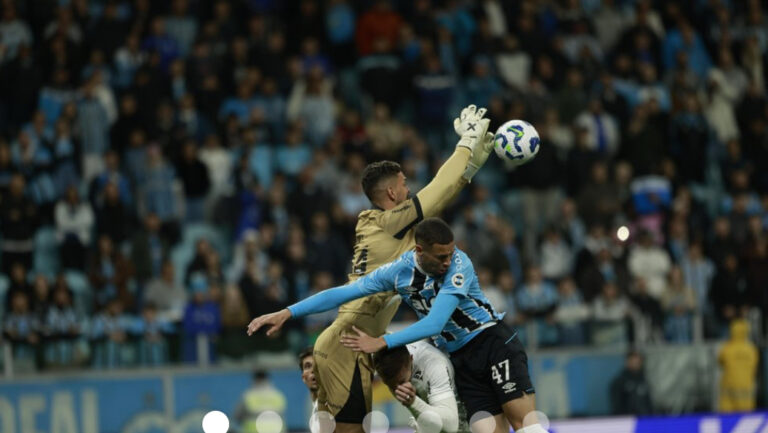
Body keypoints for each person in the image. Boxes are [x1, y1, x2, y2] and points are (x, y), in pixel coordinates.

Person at [248, 105, 494, 432]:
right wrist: (467, 144)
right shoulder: (391, 222)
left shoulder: (382, 226)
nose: (409, 191)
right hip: (346, 345)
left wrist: (472, 166)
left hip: (353, 343)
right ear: (391, 193)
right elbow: (437, 191)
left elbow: (442, 193)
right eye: (405, 185)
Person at [249, 218, 545, 433]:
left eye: (450, 253)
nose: (447, 261)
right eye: (440, 256)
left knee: (525, 423)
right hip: (462, 360)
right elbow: (341, 293)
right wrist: (289, 312)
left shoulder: (460, 264)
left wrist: (384, 342)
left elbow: (435, 322)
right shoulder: (397, 272)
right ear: (419, 251)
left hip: (491, 342)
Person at [373, 340, 468, 433]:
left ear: (411, 359)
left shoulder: (434, 366)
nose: (397, 389)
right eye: (390, 385)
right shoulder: (382, 357)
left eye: (401, 382)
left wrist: (413, 402)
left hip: (463, 423)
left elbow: (451, 426)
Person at [718, 320, 758, 412]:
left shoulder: (727, 348)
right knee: (746, 419)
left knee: (727, 419)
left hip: (729, 389)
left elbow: (720, 361)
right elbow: (755, 365)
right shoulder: (751, 349)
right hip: (746, 389)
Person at [609, 350, 653, 416]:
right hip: (625, 420)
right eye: (633, 361)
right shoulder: (619, 382)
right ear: (627, 362)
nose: (635, 364)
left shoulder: (644, 381)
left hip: (644, 419)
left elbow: (648, 403)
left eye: (638, 362)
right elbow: (617, 405)